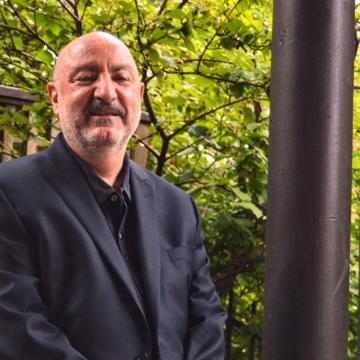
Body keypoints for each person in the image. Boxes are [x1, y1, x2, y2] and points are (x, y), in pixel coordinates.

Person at [0, 32, 226, 360]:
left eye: (121, 78)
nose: (106, 91)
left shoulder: (178, 207)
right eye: (86, 77)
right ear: (54, 96)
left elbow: (207, 321)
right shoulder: (9, 193)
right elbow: (18, 329)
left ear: (139, 94)